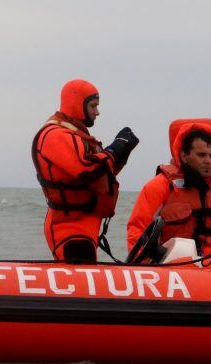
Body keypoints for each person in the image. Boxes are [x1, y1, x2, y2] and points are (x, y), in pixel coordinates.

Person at [32, 79, 139, 263]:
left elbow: (100, 179)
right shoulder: (55, 136)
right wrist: (114, 150)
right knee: (79, 272)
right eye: (93, 106)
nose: (97, 112)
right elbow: (89, 171)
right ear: (77, 104)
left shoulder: (79, 137)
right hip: (69, 227)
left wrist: (122, 153)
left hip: (85, 224)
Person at [127, 119, 211, 268]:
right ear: (184, 155)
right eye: (201, 155)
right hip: (175, 266)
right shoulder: (161, 186)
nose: (208, 161)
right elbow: (138, 227)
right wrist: (141, 264)